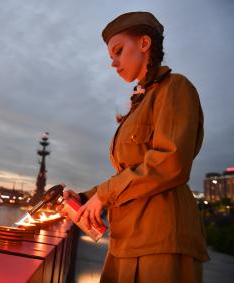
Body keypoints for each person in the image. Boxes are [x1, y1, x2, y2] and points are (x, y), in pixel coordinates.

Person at [60, 11, 209, 283]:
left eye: (118, 51)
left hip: (161, 238)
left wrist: (104, 195)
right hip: (127, 237)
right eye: (110, 57)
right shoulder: (141, 102)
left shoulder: (175, 87)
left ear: (144, 43)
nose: (114, 63)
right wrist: (84, 198)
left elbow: (170, 161)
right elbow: (129, 172)